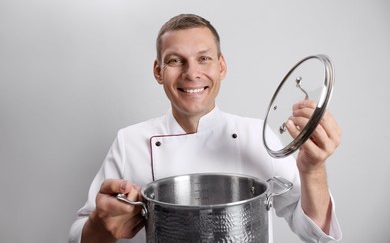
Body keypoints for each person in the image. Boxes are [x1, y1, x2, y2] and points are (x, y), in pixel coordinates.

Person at [69, 14, 342, 243]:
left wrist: (313, 169)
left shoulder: (255, 135)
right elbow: (78, 235)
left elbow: (314, 233)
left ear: (221, 66)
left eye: (204, 59)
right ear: (158, 71)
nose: (191, 73)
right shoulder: (131, 141)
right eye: (176, 60)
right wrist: (100, 223)